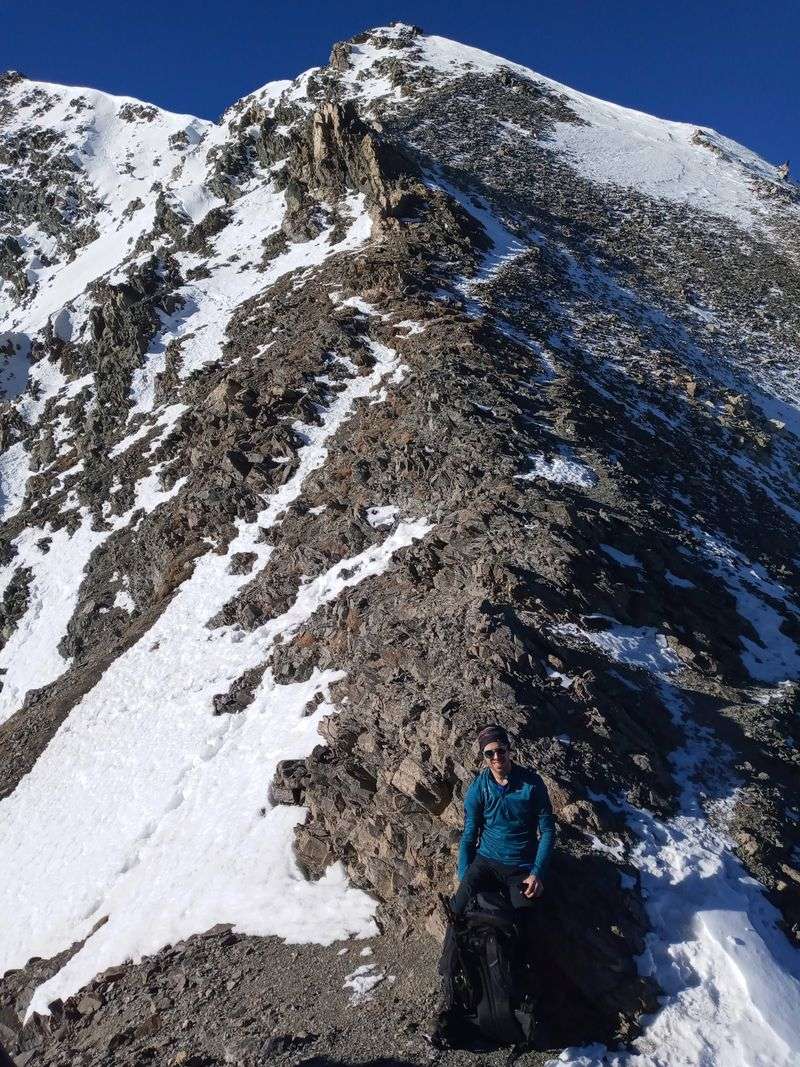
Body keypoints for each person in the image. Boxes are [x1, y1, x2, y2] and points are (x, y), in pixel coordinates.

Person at [431, 724, 556, 1047]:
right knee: (456, 914)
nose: (497, 757)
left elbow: (547, 831)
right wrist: (465, 874)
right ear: (484, 757)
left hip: (520, 867)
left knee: (526, 924)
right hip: (485, 863)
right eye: (490, 753)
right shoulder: (478, 789)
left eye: (501, 750)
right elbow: (469, 835)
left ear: (510, 750)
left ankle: (522, 998)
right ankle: (448, 988)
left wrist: (537, 873)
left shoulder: (531, 784)